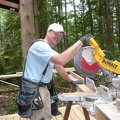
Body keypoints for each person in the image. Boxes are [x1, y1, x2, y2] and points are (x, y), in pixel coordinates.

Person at [23, 23, 92, 120]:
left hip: (44, 89)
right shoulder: (39, 46)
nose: (58, 37)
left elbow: (59, 67)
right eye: (56, 34)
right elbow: (61, 60)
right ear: (48, 32)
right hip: (35, 90)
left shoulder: (49, 50)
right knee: (37, 118)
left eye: (60, 35)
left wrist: (70, 81)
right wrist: (81, 41)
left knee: (47, 116)